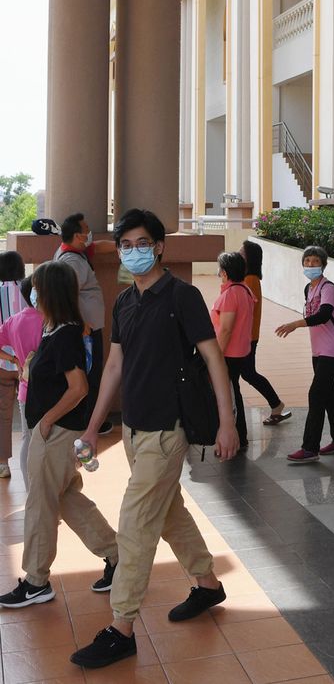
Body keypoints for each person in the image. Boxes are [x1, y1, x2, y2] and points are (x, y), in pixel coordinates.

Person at [70, 209, 238, 669]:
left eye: (142, 243)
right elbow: (115, 367)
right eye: (125, 245)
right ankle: (208, 584)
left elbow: (214, 360)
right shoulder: (125, 302)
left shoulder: (182, 297)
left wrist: (228, 423)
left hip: (168, 431)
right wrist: (92, 426)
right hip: (133, 431)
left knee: (136, 523)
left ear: (160, 246)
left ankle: (120, 627)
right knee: (168, 513)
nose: (133, 252)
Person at [0, 261, 118, 609]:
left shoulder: (65, 333)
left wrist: (48, 421)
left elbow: (78, 387)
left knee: (40, 502)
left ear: (49, 292)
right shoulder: (57, 329)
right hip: (55, 430)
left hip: (58, 432)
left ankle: (36, 581)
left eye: (36, 286)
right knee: (67, 498)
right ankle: (116, 555)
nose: (31, 292)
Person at [276, 246, 334, 463]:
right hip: (317, 350)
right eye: (307, 260)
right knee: (328, 395)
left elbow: (324, 315)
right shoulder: (309, 288)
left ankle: (310, 447)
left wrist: (295, 324)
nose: (310, 265)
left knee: (316, 394)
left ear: (323, 264)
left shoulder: (328, 288)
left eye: (315, 261)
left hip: (332, 350)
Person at [56, 213, 117, 436]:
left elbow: (97, 247)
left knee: (91, 373)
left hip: (88, 326)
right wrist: (82, 323)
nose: (89, 233)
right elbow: (68, 295)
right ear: (77, 236)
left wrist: (120, 244)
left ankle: (89, 420)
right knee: (89, 375)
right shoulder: (71, 261)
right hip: (85, 330)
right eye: (86, 230)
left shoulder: (74, 251)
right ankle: (89, 422)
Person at [0, 277, 44, 489]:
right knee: (50, 441)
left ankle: (30, 489)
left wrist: (13, 359)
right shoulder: (51, 319)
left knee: (28, 438)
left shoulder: (14, 321)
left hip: (26, 390)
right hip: (54, 391)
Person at [239, 240, 288, 426]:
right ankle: (276, 403)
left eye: (242, 252)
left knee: (248, 374)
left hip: (247, 336)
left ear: (249, 258)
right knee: (248, 373)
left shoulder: (250, 279)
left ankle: (276, 403)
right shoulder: (248, 278)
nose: (238, 253)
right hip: (248, 335)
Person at [211, 252, 255, 449]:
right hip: (241, 351)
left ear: (225, 272)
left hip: (229, 353)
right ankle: (241, 434)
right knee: (234, 391)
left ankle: (236, 435)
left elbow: (226, 329)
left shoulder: (230, 294)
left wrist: (216, 356)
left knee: (230, 394)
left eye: (220, 270)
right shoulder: (244, 290)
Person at [0, 251, 26, 478]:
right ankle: (32, 457)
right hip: (27, 362)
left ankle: (3, 464)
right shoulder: (27, 291)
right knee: (29, 410)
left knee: (3, 414)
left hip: (2, 363)